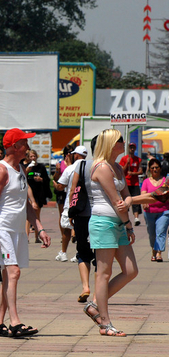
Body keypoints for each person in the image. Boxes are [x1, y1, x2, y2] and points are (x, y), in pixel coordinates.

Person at [0, 128, 51, 338]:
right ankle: (15, 322)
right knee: (13, 273)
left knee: (8, 277)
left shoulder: (20, 169)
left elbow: (26, 206)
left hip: (16, 231)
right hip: (2, 230)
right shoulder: (1, 170)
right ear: (15, 146)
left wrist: (39, 227)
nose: (28, 146)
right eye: (24, 142)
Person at [83, 129, 138, 337]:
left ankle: (94, 305)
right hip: (104, 222)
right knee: (103, 273)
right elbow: (118, 202)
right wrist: (128, 224)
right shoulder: (102, 167)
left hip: (118, 222)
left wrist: (128, 206)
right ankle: (105, 323)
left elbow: (128, 196)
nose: (124, 143)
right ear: (110, 143)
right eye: (120, 140)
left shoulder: (116, 166)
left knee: (131, 270)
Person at [68, 137, 98, 303]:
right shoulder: (106, 165)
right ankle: (97, 293)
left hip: (82, 214)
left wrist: (71, 212)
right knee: (101, 255)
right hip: (101, 215)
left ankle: (85, 287)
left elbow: (74, 189)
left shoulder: (82, 165)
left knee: (82, 252)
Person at [53, 145, 87, 262]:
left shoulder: (70, 168)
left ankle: (63, 253)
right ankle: (79, 253)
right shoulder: (90, 167)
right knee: (81, 229)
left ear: (76, 155)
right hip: (85, 203)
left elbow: (61, 186)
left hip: (71, 202)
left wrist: (55, 183)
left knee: (67, 229)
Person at [140, 159, 169, 262]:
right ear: (149, 170)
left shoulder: (166, 181)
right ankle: (153, 250)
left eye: (157, 167)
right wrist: (144, 202)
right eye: (152, 168)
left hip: (164, 211)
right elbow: (143, 193)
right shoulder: (146, 182)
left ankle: (159, 253)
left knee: (161, 232)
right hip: (150, 212)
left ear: (160, 168)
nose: (155, 169)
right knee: (152, 234)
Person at [25, 149, 52, 243]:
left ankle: (37, 237)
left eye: (34, 156)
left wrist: (41, 179)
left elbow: (47, 179)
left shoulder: (41, 167)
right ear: (28, 158)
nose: (33, 158)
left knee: (36, 215)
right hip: (28, 192)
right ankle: (26, 237)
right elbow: (23, 178)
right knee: (28, 216)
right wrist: (27, 170)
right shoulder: (27, 167)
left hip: (38, 193)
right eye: (31, 156)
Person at [53, 145, 74, 249]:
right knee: (62, 213)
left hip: (71, 191)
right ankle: (63, 234)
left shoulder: (75, 165)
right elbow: (56, 178)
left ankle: (73, 234)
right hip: (62, 191)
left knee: (73, 213)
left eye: (71, 152)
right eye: (68, 153)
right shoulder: (60, 164)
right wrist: (57, 170)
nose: (69, 155)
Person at [119, 142, 143, 226]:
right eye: (130, 147)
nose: (132, 149)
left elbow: (141, 171)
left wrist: (133, 173)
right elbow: (121, 170)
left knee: (135, 200)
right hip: (126, 183)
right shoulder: (124, 159)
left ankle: (136, 217)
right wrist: (127, 163)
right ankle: (126, 218)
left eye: (133, 147)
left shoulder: (138, 159)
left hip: (135, 183)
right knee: (125, 200)